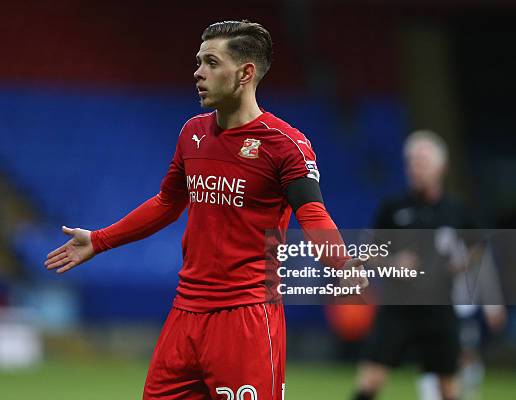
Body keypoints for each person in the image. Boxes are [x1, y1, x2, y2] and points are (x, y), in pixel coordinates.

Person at [45, 20, 367, 400]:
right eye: (199, 62)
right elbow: (167, 203)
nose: (198, 72)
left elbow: (312, 213)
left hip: (246, 317)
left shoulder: (285, 145)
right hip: (185, 314)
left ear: (246, 73)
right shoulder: (191, 133)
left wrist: (342, 265)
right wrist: (99, 240)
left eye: (211, 63)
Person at [352, 130, 473, 400]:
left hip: (439, 309)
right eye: (411, 161)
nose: (415, 168)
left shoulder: (457, 211)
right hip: (398, 308)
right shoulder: (393, 208)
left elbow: (475, 252)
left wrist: (457, 265)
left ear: (441, 166)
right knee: (369, 383)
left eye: (422, 161)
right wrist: (394, 262)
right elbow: (368, 250)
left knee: (449, 390)